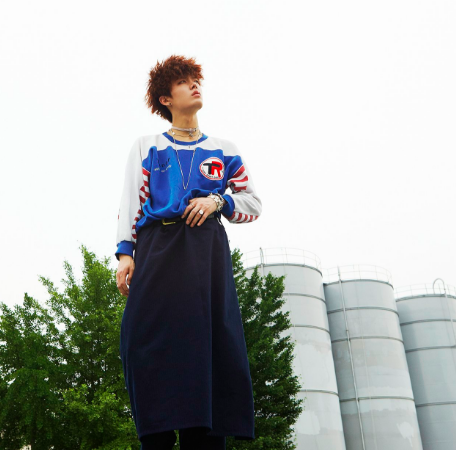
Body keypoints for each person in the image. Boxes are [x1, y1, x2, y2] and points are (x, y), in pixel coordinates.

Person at [115, 55, 262, 450]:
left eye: (196, 80)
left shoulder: (223, 149)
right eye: (184, 82)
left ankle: (206, 432)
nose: (195, 86)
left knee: (211, 342)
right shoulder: (148, 146)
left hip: (206, 252)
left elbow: (252, 203)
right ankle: (157, 432)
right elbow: (131, 201)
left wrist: (218, 201)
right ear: (166, 98)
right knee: (144, 338)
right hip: (158, 249)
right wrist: (126, 253)